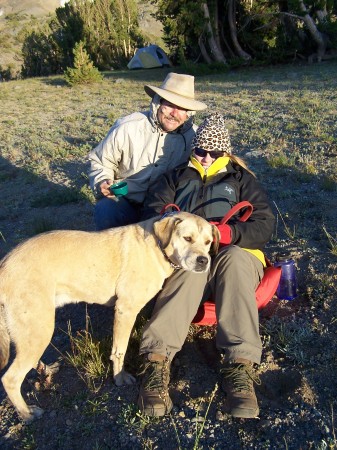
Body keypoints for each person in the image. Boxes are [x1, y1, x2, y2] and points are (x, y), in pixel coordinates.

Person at [137, 113, 276, 419]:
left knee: (236, 257)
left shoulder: (241, 180)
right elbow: (153, 212)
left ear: (225, 152)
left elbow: (265, 224)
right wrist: (176, 225)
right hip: (190, 253)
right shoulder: (174, 177)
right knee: (190, 264)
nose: (206, 156)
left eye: (214, 152)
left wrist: (229, 233)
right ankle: (156, 360)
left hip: (233, 255)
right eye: (200, 150)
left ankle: (240, 368)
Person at [88, 72, 207, 230]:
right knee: (106, 209)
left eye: (181, 108)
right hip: (125, 200)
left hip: (167, 207)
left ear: (188, 113)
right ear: (158, 102)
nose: (174, 113)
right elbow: (100, 161)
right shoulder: (128, 127)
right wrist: (102, 181)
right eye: (170, 105)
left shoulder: (195, 138)